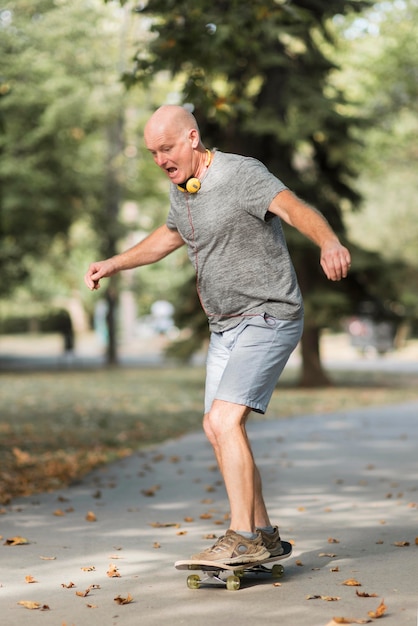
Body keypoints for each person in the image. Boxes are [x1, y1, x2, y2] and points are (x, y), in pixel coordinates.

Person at [84, 104, 351, 565]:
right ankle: (264, 534)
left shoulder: (240, 174)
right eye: (152, 153)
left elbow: (294, 208)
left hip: (269, 315)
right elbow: (168, 238)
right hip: (224, 325)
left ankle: (241, 534)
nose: (160, 160)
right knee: (218, 427)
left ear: (192, 139)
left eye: (166, 148)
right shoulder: (183, 192)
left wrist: (328, 241)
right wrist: (113, 263)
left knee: (225, 421)